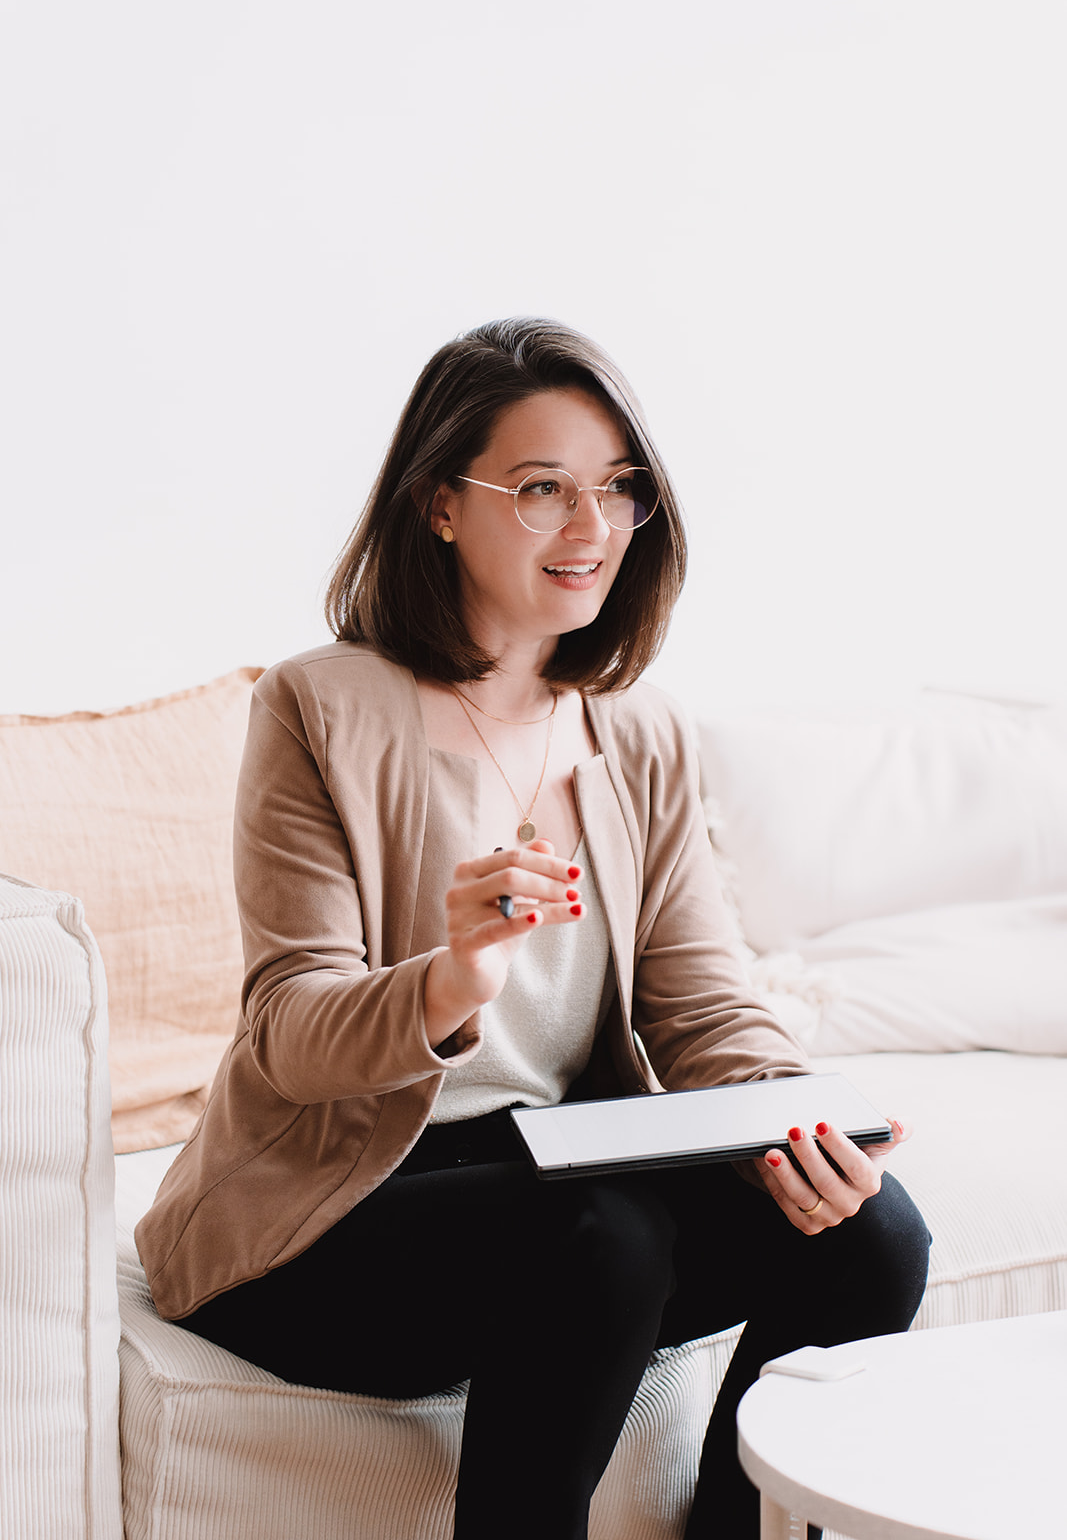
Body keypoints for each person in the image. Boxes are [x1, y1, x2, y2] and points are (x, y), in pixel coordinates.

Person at [136, 317, 930, 1540]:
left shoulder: (637, 732)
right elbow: (289, 1032)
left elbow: (703, 1005)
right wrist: (453, 976)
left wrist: (792, 1119)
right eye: (543, 488)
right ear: (439, 505)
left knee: (871, 1229)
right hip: (328, 1212)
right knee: (600, 1230)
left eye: (617, 489)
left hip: (546, 1175)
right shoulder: (319, 706)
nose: (591, 526)